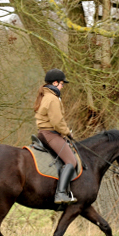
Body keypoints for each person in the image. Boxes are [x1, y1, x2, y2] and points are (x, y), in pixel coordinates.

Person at [33, 69, 78, 204]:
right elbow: (57, 122)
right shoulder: (52, 98)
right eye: (62, 84)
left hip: (45, 132)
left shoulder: (46, 96)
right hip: (50, 134)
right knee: (71, 161)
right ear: (55, 82)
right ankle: (60, 194)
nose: (63, 86)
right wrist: (67, 133)